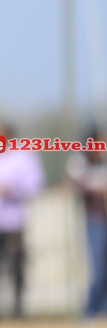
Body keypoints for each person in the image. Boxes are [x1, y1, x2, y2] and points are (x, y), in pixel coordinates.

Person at [0, 123, 44, 319]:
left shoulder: (24, 157)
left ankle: (17, 310)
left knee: (15, 266)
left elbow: (35, 184)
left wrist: (13, 189)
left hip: (14, 221)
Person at [66, 131, 107, 317]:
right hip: (95, 221)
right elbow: (80, 182)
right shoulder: (81, 163)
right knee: (98, 269)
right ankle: (91, 311)